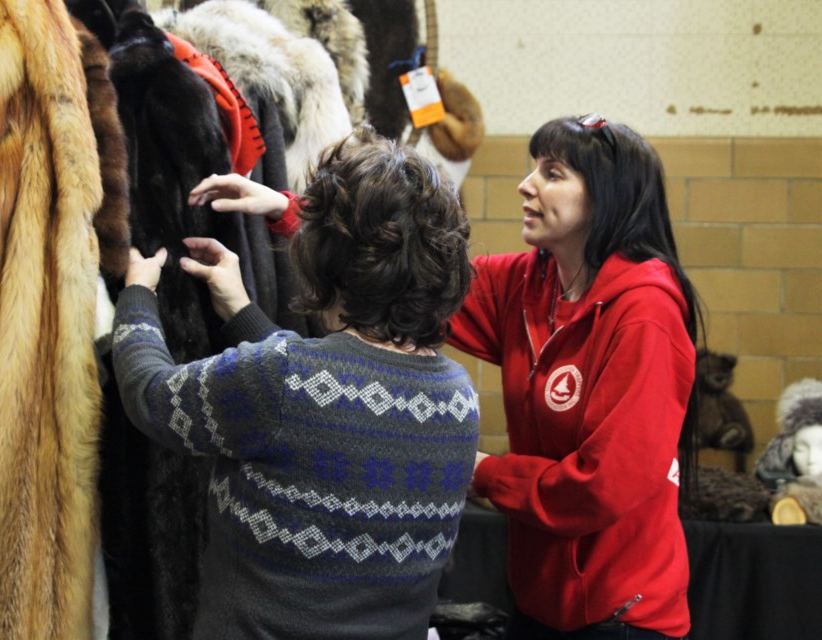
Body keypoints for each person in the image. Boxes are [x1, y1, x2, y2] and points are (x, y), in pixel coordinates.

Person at [206, 114, 700, 639]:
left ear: (607, 198)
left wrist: (473, 468)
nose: (526, 185)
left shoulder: (646, 315)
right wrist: (295, 213)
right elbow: (408, 277)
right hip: (540, 600)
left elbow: (603, 487)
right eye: (535, 167)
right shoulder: (533, 281)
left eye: (553, 173)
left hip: (620, 615)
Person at [113, 125, 480, 639]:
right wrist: (241, 311)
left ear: (324, 258)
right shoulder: (459, 397)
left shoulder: (283, 379)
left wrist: (137, 296)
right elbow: (327, 399)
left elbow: (151, 394)